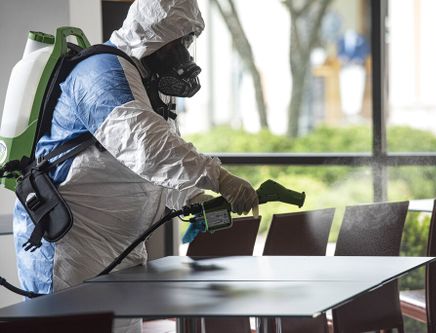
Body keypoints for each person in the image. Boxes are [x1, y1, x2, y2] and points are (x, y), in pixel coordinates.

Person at [12, 0, 258, 331]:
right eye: (179, 41)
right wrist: (220, 178)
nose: (184, 51)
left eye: (189, 40)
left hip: (120, 250)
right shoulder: (101, 72)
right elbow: (147, 146)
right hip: (70, 249)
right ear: (156, 34)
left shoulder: (144, 81)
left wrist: (190, 198)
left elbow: (147, 169)